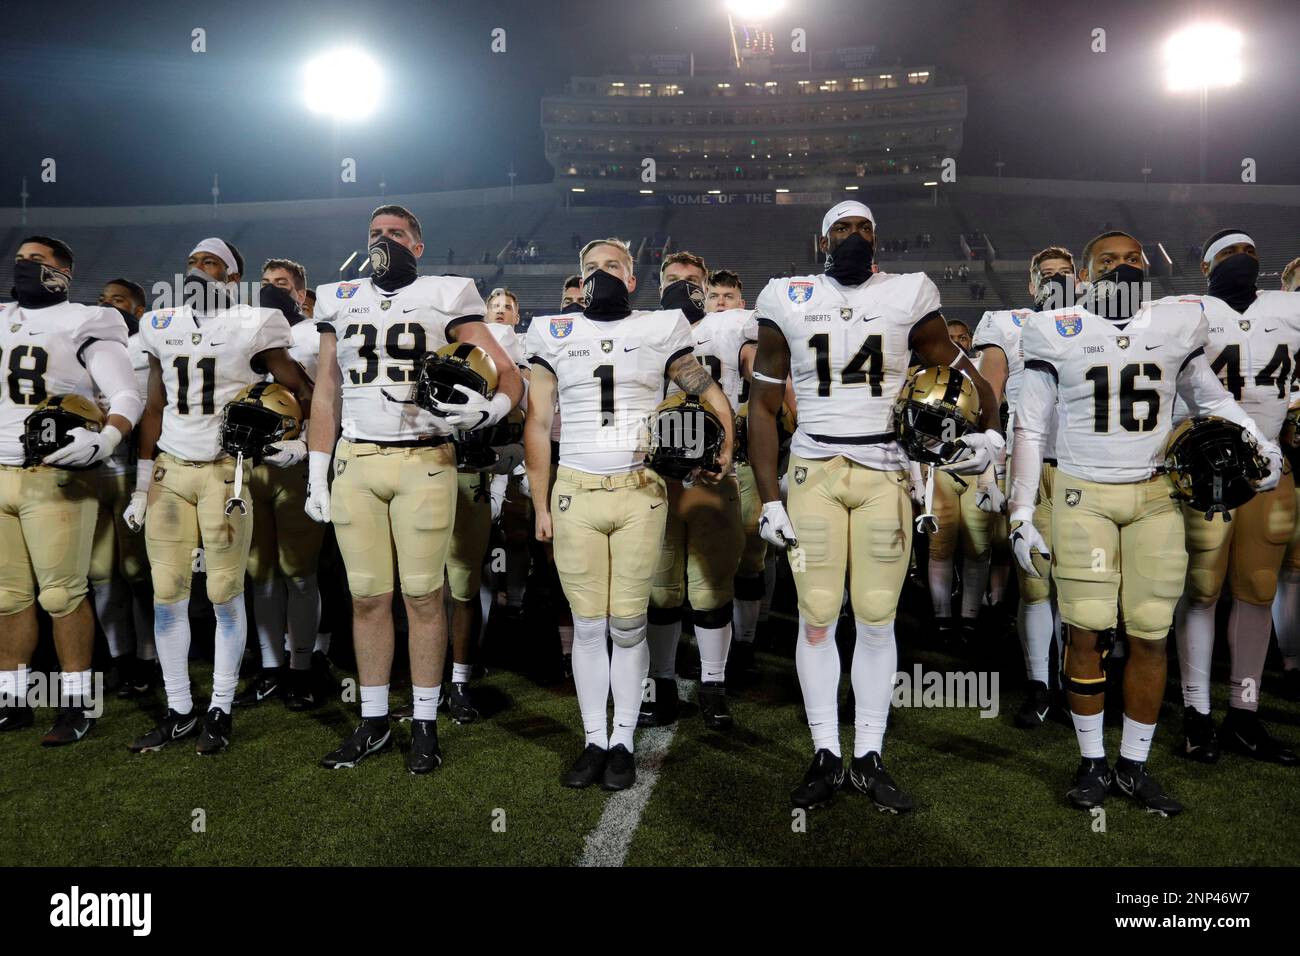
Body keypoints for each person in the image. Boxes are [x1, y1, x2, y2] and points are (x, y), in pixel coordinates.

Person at [1009, 230, 1281, 814]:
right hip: (1086, 495)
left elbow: (1210, 398)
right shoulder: (1056, 328)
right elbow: (1029, 429)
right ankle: (1090, 763)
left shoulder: (1172, 323)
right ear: (1083, 276)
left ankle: (1133, 765)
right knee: (1086, 630)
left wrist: (1261, 443)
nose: (1124, 267)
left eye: (1133, 259)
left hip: (1156, 495)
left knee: (1151, 633)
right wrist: (1021, 510)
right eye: (1108, 260)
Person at [749, 201, 1001, 812]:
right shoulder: (786, 296)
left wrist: (990, 431)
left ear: (878, 239)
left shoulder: (909, 293)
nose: (854, 237)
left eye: (864, 228)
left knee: (876, 616)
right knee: (815, 615)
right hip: (813, 474)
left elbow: (967, 378)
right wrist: (769, 497)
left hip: (886, 470)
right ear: (822, 239)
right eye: (842, 228)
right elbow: (760, 406)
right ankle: (824, 751)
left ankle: (867, 752)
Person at [306, 205, 521, 773]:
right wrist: (316, 472)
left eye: (397, 233)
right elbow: (325, 394)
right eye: (376, 233)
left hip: (426, 458)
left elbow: (509, 373)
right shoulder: (338, 296)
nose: (385, 240)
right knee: (367, 597)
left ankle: (424, 722)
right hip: (355, 462)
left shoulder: (447, 293)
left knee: (424, 597)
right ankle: (374, 721)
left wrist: (490, 411)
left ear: (419, 246)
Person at [524, 237, 734, 790]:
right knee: (589, 626)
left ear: (633, 277)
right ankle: (594, 738)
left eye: (613, 266)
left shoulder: (659, 327)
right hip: (575, 487)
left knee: (628, 621)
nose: (602, 275)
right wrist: (540, 503)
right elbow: (537, 423)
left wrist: (727, 443)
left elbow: (706, 387)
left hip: (641, 487)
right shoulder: (552, 330)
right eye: (591, 268)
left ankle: (622, 738)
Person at [126, 237, 312, 754]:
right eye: (191, 262)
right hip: (169, 471)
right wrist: (141, 485)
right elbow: (155, 408)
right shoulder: (159, 324)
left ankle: (221, 707)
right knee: (167, 596)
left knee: (224, 594)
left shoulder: (255, 322)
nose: (196, 270)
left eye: (209, 263)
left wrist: (296, 447)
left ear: (232, 278)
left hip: (224, 473)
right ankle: (180, 708)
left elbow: (301, 391)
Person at [0, 236, 142, 743]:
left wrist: (105, 440)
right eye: (19, 260)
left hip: (55, 473)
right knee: (7, 597)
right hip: (0, 473)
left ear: (62, 272)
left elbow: (126, 391)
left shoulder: (85, 318)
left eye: (36, 261)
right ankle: (14, 699)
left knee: (61, 594)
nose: (23, 268)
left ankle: (78, 703)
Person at [1171, 229, 1300, 765]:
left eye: (1249, 252)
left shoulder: (1291, 307)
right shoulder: (1182, 311)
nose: (1241, 261)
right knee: (1200, 589)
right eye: (1228, 254)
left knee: (1259, 588)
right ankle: (1197, 715)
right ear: (1205, 268)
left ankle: (1244, 713)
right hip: (1201, 468)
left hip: (1267, 464)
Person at [641, 253, 756, 729]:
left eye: (691, 281)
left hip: (713, 476)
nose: (681, 287)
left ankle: (713, 686)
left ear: (706, 286)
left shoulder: (731, 328)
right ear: (658, 285)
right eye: (672, 280)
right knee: (662, 591)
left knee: (711, 588)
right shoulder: (639, 330)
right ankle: (662, 685)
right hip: (657, 480)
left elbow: (761, 382)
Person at [971, 245, 1075, 727]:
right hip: (1028, 464)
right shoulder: (1006, 323)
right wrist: (990, 471)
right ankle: (1040, 685)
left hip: (1085, 466)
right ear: (1032, 285)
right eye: (1046, 274)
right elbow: (988, 395)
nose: (1054, 280)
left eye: (1064, 273)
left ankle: (1075, 681)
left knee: (1079, 585)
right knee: (1035, 583)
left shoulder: (1099, 326)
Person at [234, 258, 327, 710]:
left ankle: (302, 667)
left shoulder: (312, 335)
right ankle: (271, 667)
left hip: (296, 465)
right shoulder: (243, 332)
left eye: (282, 284)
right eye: (266, 282)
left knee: (300, 573)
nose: (271, 288)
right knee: (261, 574)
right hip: (250, 465)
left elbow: (328, 397)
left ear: (299, 293)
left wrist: (307, 444)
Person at [93, 278, 157, 698]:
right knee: (100, 573)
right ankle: (120, 657)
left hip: (130, 469)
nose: (107, 306)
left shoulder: (144, 349)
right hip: (91, 473)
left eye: (118, 300)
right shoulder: (88, 348)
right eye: (103, 300)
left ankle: (148, 658)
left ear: (137, 310)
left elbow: (150, 408)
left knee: (137, 572)